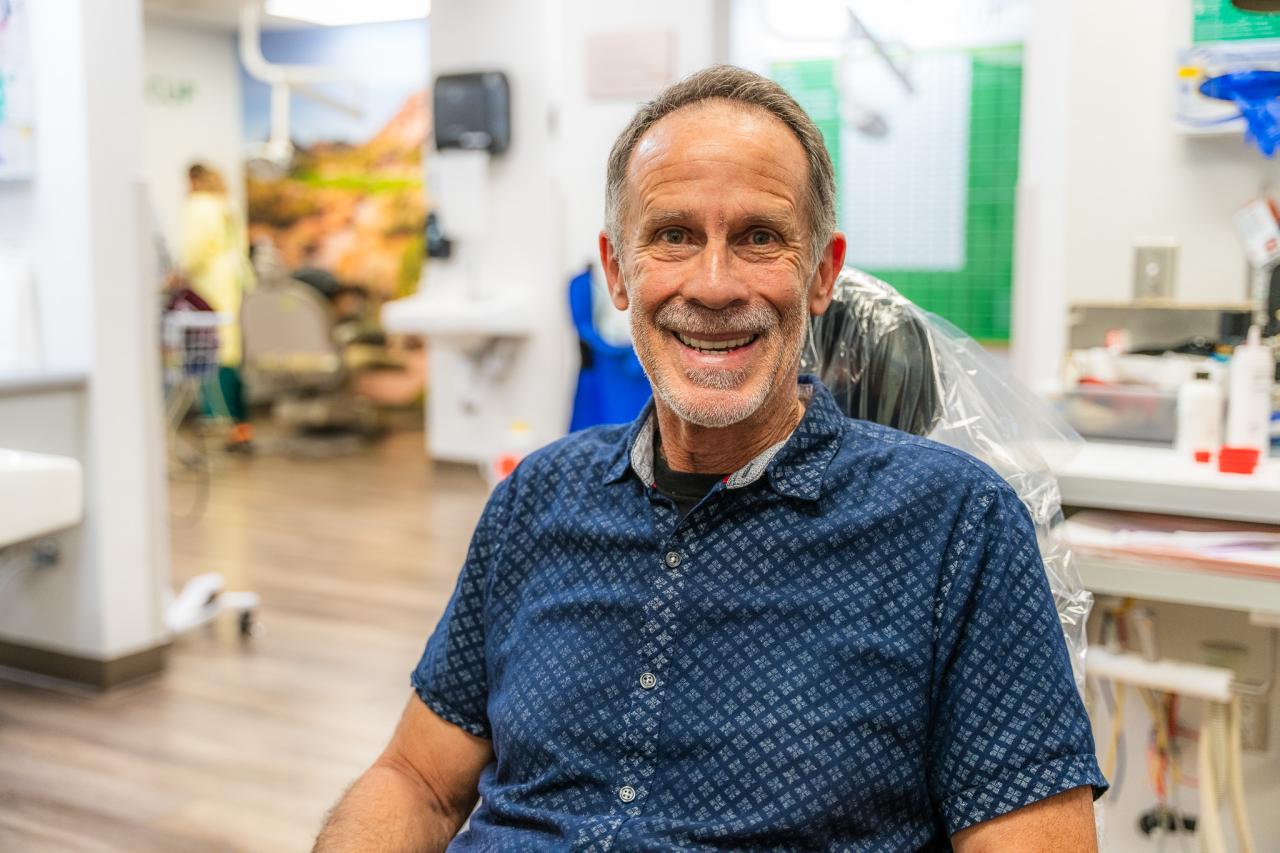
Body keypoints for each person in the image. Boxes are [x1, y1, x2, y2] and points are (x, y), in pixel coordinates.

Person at [314, 65, 1106, 851]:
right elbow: (414, 780)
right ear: (618, 271)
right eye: (673, 236)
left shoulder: (955, 525)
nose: (715, 283)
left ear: (822, 272)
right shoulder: (536, 501)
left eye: (760, 237)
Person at [181, 162, 255, 450]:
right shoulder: (227, 205)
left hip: (210, 286)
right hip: (233, 283)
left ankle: (219, 418)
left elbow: (194, 251)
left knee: (215, 350)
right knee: (231, 353)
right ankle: (240, 426)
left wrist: (179, 274)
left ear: (194, 180)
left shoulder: (198, 205)